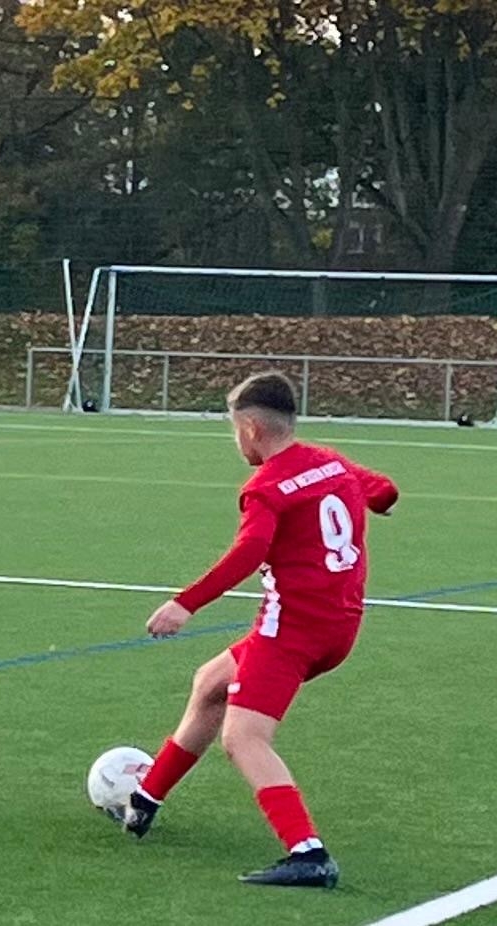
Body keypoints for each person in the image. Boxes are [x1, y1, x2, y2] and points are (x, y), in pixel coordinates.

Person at [112, 372, 398, 889]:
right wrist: (375, 501)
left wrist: (184, 604)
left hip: (291, 631)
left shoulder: (264, 488)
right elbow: (383, 489)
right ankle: (145, 799)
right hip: (339, 626)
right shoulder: (331, 462)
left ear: (249, 429)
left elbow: (250, 551)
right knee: (210, 683)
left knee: (243, 737)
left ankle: (308, 853)